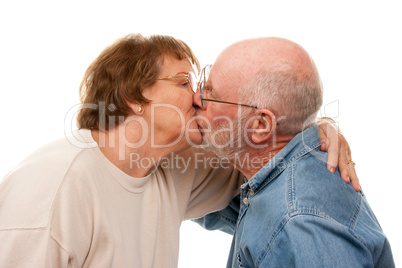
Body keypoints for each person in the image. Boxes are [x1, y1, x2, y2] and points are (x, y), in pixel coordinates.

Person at [0, 34, 356, 267]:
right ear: (133, 98)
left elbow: (266, 150)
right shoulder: (51, 189)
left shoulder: (172, 166)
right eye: (184, 82)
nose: (200, 97)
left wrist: (320, 127)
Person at [193, 37, 394, 267]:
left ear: (260, 125)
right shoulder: (275, 173)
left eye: (209, 93)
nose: (195, 99)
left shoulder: (300, 223)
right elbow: (190, 200)